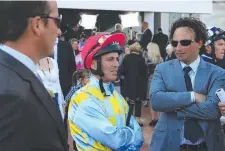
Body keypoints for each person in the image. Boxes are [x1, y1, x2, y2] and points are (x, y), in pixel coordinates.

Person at [0, 1, 67, 151]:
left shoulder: (15, 74)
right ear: (38, 25)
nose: (59, 31)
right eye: (57, 21)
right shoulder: (11, 95)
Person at [150, 17, 225, 151]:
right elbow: (156, 101)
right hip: (169, 143)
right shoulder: (162, 69)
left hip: (207, 145)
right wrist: (192, 96)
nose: (178, 48)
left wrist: (173, 106)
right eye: (174, 43)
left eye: (184, 42)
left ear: (199, 43)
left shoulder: (217, 73)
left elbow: (213, 110)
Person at [68, 33, 143, 150]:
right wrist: (129, 134)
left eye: (117, 59)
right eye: (110, 59)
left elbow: (139, 137)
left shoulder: (117, 96)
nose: (116, 64)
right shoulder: (83, 98)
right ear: (93, 64)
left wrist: (125, 137)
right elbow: (116, 140)